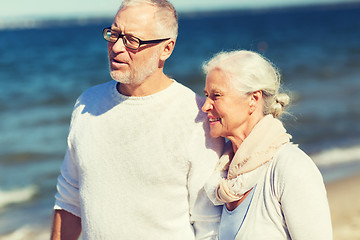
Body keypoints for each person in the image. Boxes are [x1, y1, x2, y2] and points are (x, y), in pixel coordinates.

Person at [51, 0, 224, 239]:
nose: (117, 47)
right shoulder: (86, 104)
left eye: (132, 40)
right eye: (114, 34)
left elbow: (208, 223)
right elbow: (69, 200)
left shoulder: (196, 116)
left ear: (166, 48)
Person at [201, 50, 333, 240]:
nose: (205, 106)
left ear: (253, 100)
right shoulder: (225, 175)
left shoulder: (290, 167)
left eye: (216, 95)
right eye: (206, 95)